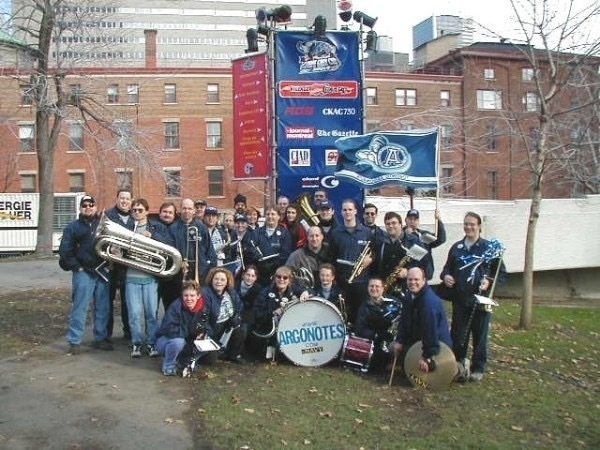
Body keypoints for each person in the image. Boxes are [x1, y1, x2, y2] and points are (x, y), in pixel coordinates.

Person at [439, 211, 505, 382]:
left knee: (479, 335)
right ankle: (458, 365)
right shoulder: (457, 248)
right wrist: (446, 276)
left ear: (479, 227)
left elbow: (501, 273)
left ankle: (478, 367)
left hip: (480, 301)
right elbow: (446, 269)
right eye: (466, 224)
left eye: (472, 224)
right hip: (460, 300)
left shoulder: (489, 249)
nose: (468, 227)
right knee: (459, 334)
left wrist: (489, 282)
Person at [392, 267, 468, 381]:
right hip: (418, 341)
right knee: (392, 350)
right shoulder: (409, 296)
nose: (413, 282)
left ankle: (458, 369)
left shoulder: (428, 303)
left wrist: (426, 357)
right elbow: (404, 321)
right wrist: (399, 341)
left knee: (431, 377)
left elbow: (430, 332)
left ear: (424, 280)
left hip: (437, 347)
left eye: (416, 279)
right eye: (410, 279)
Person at [59, 195, 113, 354]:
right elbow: (65, 251)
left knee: (103, 307)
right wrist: (77, 267)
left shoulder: (105, 225)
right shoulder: (72, 227)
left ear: (96, 207)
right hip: (83, 271)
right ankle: (74, 341)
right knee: (80, 307)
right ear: (80, 208)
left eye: (91, 205)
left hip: (102, 271)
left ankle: (100, 338)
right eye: (85, 205)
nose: (88, 208)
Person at [124, 198, 169, 358]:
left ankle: (151, 343)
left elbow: (168, 244)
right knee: (134, 314)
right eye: (134, 210)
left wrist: (152, 236)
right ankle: (136, 343)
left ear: (147, 212)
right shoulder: (127, 228)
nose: (136, 212)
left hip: (150, 278)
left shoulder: (156, 227)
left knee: (151, 314)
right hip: (131, 277)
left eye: (140, 210)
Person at [328, 199, 373, 324]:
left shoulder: (367, 232)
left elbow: (374, 253)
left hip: (362, 281)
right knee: (344, 314)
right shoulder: (335, 233)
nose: (347, 212)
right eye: (344, 210)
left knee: (361, 315)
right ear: (341, 212)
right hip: (343, 282)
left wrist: (371, 258)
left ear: (355, 211)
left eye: (350, 209)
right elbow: (331, 257)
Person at [253, 266, 310, 360]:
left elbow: (311, 291)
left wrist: (305, 292)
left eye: (285, 277)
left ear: (289, 280)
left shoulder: (293, 289)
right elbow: (257, 313)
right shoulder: (265, 292)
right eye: (278, 277)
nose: (281, 280)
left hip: (290, 329)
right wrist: (273, 312)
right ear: (274, 278)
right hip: (269, 328)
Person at [155, 280, 205, 376]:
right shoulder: (175, 307)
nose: (189, 298)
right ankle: (168, 366)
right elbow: (168, 328)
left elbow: (207, 325)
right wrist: (191, 333)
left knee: (205, 343)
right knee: (178, 342)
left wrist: (202, 333)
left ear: (198, 296)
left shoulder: (204, 308)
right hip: (167, 340)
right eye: (186, 295)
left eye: (192, 295)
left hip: (189, 338)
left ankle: (185, 363)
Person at [199, 267, 247, 363]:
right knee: (210, 360)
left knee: (242, 328)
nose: (219, 282)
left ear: (227, 282)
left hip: (226, 327)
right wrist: (210, 335)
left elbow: (239, 306)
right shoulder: (205, 293)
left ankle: (233, 355)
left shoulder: (231, 292)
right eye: (216, 279)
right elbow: (203, 318)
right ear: (211, 279)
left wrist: (236, 318)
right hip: (211, 329)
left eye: (222, 279)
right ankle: (215, 352)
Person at [354, 276, 401, 371]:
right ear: (367, 288)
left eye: (377, 286)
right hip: (376, 342)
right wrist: (377, 335)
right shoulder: (364, 307)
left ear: (383, 288)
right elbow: (359, 329)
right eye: (371, 286)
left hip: (395, 341)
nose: (374, 289)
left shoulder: (395, 302)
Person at [104, 188, 134, 340]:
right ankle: (106, 335)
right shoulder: (108, 215)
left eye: (127, 199)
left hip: (128, 267)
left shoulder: (135, 218)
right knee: (107, 303)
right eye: (122, 198)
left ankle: (128, 333)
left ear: (131, 201)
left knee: (127, 302)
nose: (124, 201)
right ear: (117, 199)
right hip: (110, 266)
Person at [371, 211, 422, 299]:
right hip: (386, 289)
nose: (391, 226)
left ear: (401, 224)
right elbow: (376, 267)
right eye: (388, 224)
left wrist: (408, 271)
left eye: (394, 223)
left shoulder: (413, 241)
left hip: (407, 288)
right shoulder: (381, 243)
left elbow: (423, 263)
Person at [168, 198, 216, 288]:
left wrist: (210, 271)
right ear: (180, 209)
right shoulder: (173, 229)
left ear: (194, 210)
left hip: (201, 273)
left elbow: (210, 251)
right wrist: (180, 263)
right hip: (180, 273)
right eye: (184, 208)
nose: (187, 211)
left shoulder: (201, 227)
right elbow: (170, 252)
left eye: (189, 208)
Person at [247, 206, 292, 286]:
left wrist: (273, 266)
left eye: (273, 214)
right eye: (268, 214)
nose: (270, 217)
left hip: (277, 276)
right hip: (259, 275)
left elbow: (285, 254)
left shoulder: (285, 234)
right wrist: (259, 261)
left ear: (279, 217)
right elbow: (250, 249)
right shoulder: (256, 233)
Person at [404, 208, 447, 280]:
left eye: (415, 219)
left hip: (424, 274)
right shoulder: (401, 235)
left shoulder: (424, 236)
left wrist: (439, 220)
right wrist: (408, 236)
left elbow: (441, 239)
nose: (412, 222)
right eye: (410, 219)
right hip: (409, 275)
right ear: (406, 220)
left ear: (418, 221)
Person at [156, 201, 180, 313]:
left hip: (173, 276)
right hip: (155, 272)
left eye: (170, 212)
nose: (167, 214)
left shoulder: (178, 228)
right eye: (164, 212)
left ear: (174, 215)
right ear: (159, 213)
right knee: (152, 309)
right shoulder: (152, 226)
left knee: (171, 307)